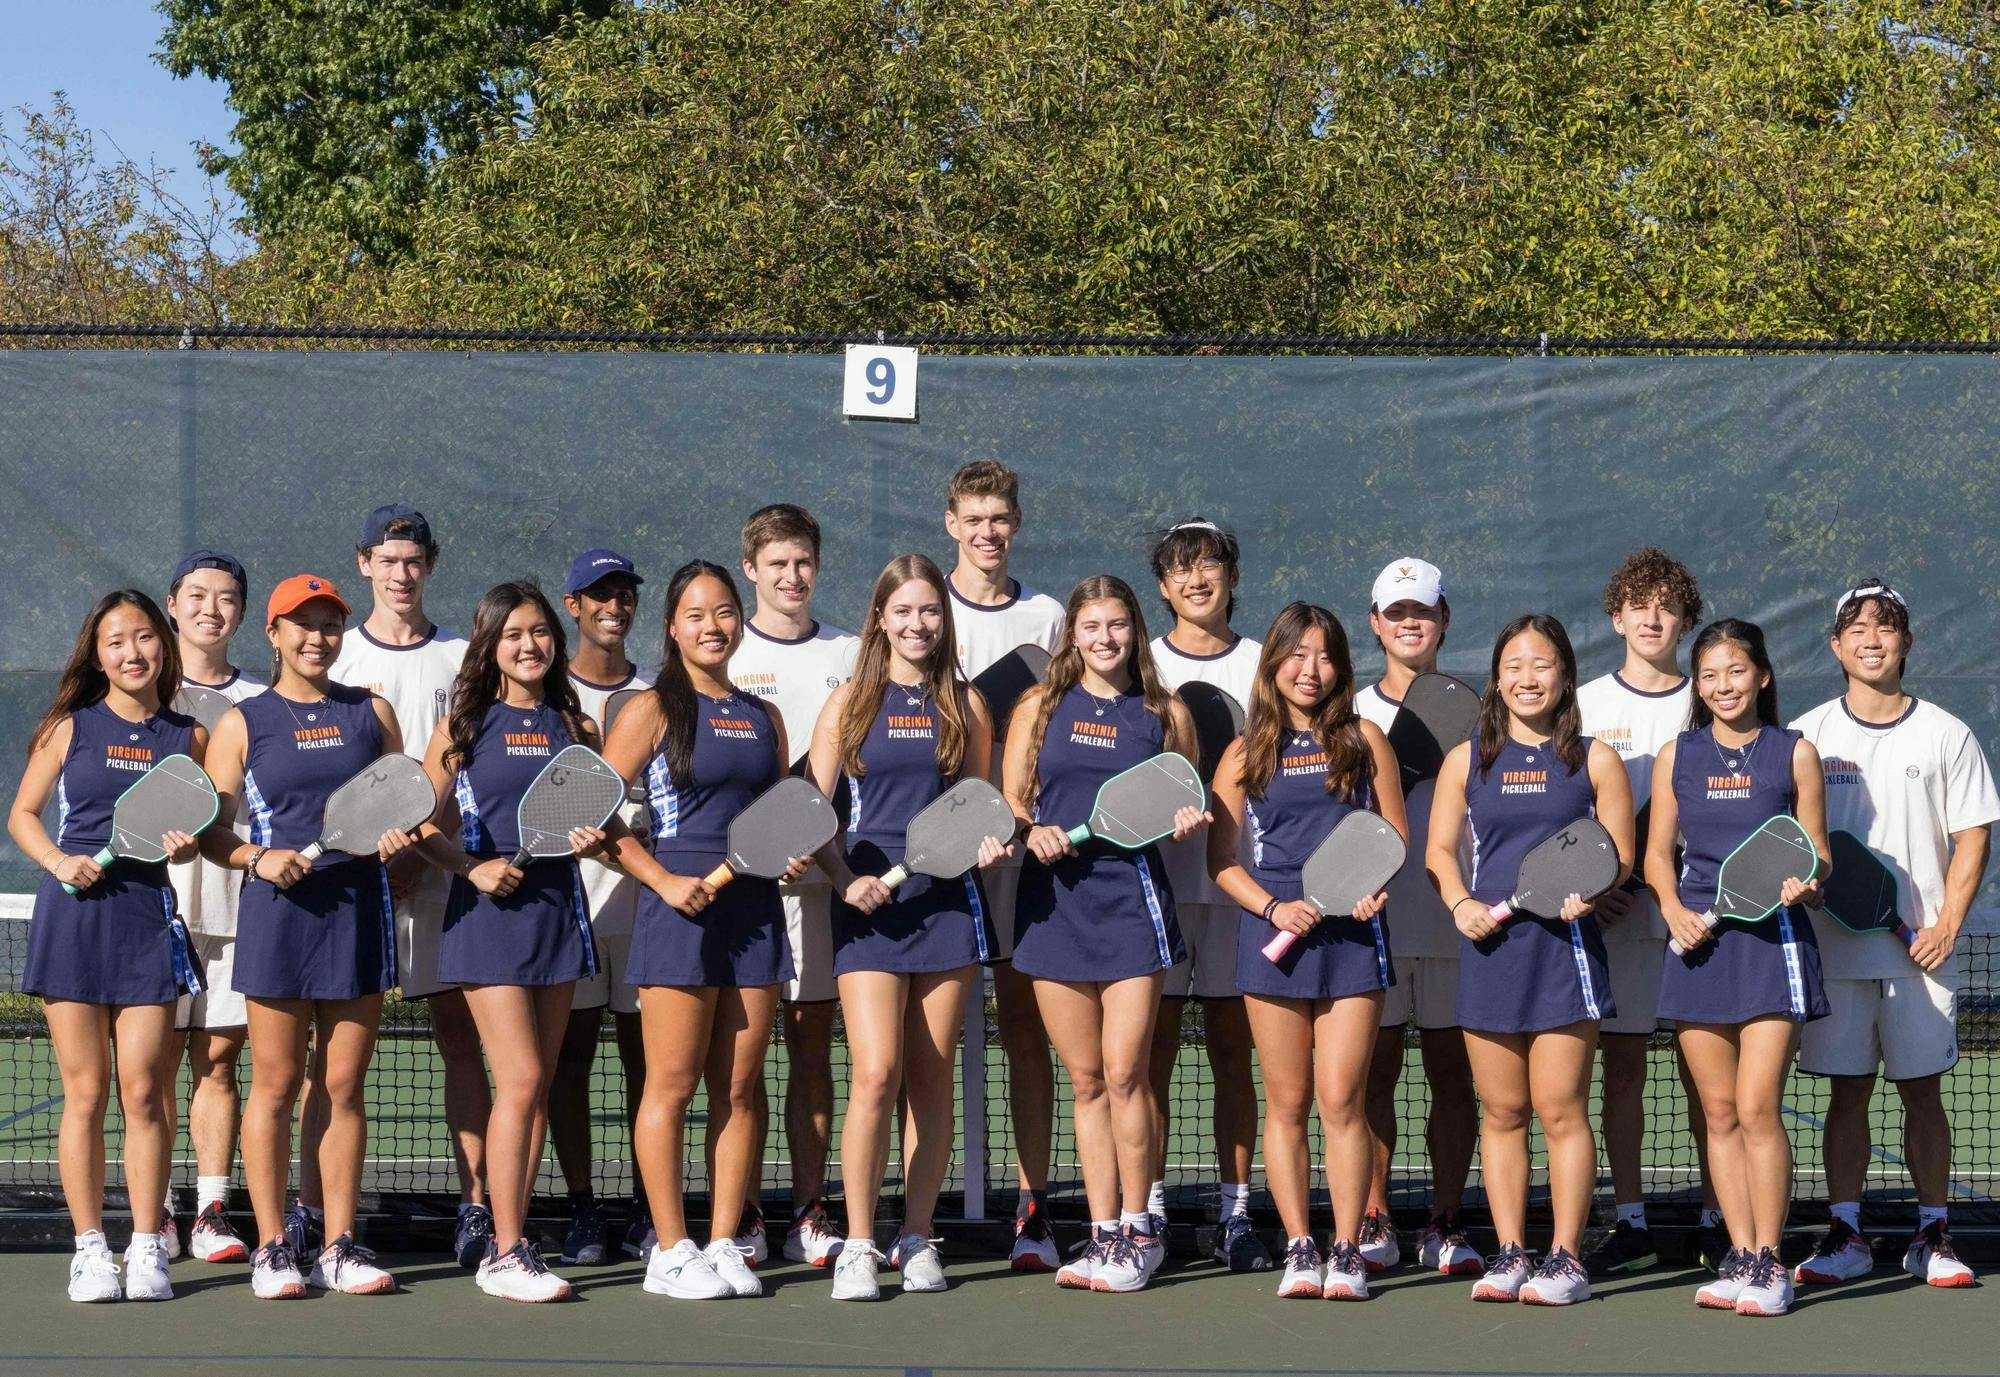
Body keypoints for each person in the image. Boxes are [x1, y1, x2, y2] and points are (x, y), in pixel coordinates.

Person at [601, 560, 813, 1301]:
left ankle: (723, 1239)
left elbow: (783, 810)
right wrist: (661, 879)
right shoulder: (650, 708)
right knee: (671, 1084)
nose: (713, 626)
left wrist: (785, 857)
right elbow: (590, 815)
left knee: (741, 1086)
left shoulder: (763, 716)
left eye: (724, 612)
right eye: (696, 614)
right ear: (672, 625)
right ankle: (669, 1247)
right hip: (676, 909)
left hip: (753, 913)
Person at [199, 574, 416, 1299]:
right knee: (276, 1085)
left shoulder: (370, 712)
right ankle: (270, 1247)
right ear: (274, 632)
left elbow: (402, 800)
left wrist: (396, 840)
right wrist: (259, 856)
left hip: (356, 914)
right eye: (302, 624)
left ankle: (337, 1244)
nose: (316, 637)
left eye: (328, 625)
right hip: (277, 919)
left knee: (343, 1086)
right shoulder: (244, 721)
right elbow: (213, 828)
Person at [805, 554, 1006, 1300]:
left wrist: (989, 844)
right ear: (880, 618)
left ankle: (917, 1236)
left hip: (947, 906)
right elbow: (814, 811)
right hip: (867, 907)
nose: (919, 624)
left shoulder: (967, 704)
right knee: (877, 1071)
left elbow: (980, 805)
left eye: (930, 611)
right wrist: (841, 878)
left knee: (931, 1082)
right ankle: (859, 1242)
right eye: (905, 611)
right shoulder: (850, 702)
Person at [1002, 574, 1207, 1295]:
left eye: (1118, 624)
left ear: (1135, 631)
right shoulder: (1040, 705)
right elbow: (1013, 798)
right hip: (1053, 905)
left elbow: (1187, 795)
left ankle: (1139, 1225)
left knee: (1126, 1073)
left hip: (1133, 906)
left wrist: (1186, 820)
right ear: (1073, 635)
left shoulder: (1163, 711)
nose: (1105, 638)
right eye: (1091, 626)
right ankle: (1103, 1232)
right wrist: (1035, 829)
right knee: (1086, 1080)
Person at [1790, 580, 1997, 1289]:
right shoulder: (1809, 734)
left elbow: (1973, 836)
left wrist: (1947, 924)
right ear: (1835, 645)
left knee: (1924, 1094)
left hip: (1920, 959)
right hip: (1834, 954)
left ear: (1906, 641)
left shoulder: (1947, 733)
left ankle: (1932, 1233)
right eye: (1856, 627)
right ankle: (1846, 1233)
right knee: (1845, 1094)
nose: (1871, 638)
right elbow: (1795, 839)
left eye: (1885, 626)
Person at [1427, 613, 1634, 1306]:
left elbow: (1620, 854)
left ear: (1564, 674)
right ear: (1496, 676)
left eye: (1541, 663)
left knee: (1560, 1108)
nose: (1527, 677)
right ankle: (1512, 1251)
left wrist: (1596, 890)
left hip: (1566, 955)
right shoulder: (1468, 760)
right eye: (1513, 664)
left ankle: (1567, 1256)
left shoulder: (1594, 758)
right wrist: (1458, 902)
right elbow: (1438, 851)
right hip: (1491, 950)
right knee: (1502, 1109)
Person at [9, 590, 205, 1302]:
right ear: (98, 653)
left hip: (145, 918)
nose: (132, 651)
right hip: (73, 918)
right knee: (86, 1091)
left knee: (145, 1090)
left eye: (145, 637)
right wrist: (61, 860)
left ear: (164, 645)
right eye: (117, 640)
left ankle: (147, 1244)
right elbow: (23, 814)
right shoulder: (70, 725)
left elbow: (200, 830)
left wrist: (188, 847)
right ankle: (90, 1248)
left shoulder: (190, 737)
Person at [414, 580, 607, 1301]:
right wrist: (472, 864)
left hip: (558, 913)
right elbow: (418, 823)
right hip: (484, 920)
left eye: (540, 632)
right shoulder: (462, 726)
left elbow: (597, 821)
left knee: (541, 1081)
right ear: (490, 643)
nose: (530, 645)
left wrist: (596, 837)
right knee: (521, 1079)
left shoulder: (574, 726)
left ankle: (515, 1240)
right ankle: (503, 1248)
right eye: (514, 633)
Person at [1208, 603, 1406, 1300]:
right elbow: (1222, 861)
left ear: (1342, 667)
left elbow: (1392, 843)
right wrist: (1272, 906)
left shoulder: (1364, 739)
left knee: (1341, 1098)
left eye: (1324, 656)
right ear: (1274, 664)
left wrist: (1368, 889)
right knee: (1286, 1102)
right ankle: (1300, 1245)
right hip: (1274, 940)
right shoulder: (1242, 752)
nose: (1310, 669)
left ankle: (1346, 1248)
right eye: (1297, 654)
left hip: (1353, 937)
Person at [1650, 618, 1830, 1317]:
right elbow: (1656, 853)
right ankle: (1744, 1253)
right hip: (1699, 944)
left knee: (1756, 1106)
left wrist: (1807, 884)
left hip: (1773, 946)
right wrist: (1669, 907)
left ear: (1762, 676)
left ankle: (1772, 1261)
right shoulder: (1677, 754)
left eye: (1736, 670)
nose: (1723, 685)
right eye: (1710, 674)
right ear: (1699, 684)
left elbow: (1816, 850)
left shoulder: (1796, 752)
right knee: (1717, 1111)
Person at [326, 505, 484, 1267]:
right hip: (349, 887)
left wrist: (421, 853)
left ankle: (478, 1209)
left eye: (412, 559)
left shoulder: (463, 656)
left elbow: (458, 760)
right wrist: (369, 863)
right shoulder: (333, 657)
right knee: (333, 1061)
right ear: (364, 564)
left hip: (441, 878)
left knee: (462, 1042)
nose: (400, 572)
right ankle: (320, 1220)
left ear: (431, 563)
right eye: (386, 559)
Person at [1574, 548, 1716, 1277]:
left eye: (1667, 604)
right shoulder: (1588, 703)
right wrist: (1601, 883)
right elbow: (1570, 806)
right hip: (1618, 924)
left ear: (1686, 618)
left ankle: (1719, 1217)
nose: (1652, 616)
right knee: (1622, 1068)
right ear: (1617, 616)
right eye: (1638, 603)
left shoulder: (1714, 695)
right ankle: (1627, 1218)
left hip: (1705, 921)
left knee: (1708, 1078)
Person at [941, 459, 1067, 1269]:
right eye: (973, 517)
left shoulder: (1051, 615)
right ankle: (912, 1213)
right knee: (930, 1040)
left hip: (1023, 860)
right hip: (942, 856)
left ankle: (1033, 1211)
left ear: (1015, 523)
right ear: (950, 522)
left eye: (1001, 518)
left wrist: (1021, 815)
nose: (988, 532)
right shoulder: (920, 607)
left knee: (1027, 1031)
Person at [727, 504, 859, 1267]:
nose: (791, 575)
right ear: (752, 570)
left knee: (812, 1048)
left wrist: (817, 852)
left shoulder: (848, 651)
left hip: (823, 882)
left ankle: (810, 1208)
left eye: (803, 560)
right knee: (738, 1058)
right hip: (739, 890)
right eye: (776, 563)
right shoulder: (721, 645)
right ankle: (738, 1212)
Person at [1142, 518, 1267, 1270]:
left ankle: (1236, 1213)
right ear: (1163, 586)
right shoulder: (1140, 661)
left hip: (1237, 889)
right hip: (1153, 886)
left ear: (1230, 575)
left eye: (1210, 565)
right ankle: (1145, 1209)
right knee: (1146, 1057)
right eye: (1182, 569)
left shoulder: (1263, 664)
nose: (1197, 580)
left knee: (1231, 1055)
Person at [1351, 557, 1480, 1275]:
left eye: (1422, 611)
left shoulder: (1480, 712)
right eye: (1396, 611)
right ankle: (1373, 1214)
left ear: (1443, 620)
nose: (1409, 622)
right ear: (1375, 623)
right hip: (1373, 922)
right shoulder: (1349, 712)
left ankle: (1446, 1217)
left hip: (1454, 923)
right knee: (1372, 1077)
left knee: (1452, 1076)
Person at [162, 550, 264, 1268]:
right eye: (196, 595)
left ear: (241, 613)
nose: (210, 609)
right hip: (155, 904)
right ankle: (155, 1211)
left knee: (219, 1063)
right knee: (154, 1063)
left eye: (225, 598)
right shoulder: (138, 692)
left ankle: (209, 1209)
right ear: (172, 604)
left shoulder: (260, 700)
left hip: (234, 901)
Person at [550, 549, 651, 1265]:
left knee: (652, 1066)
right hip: (565, 910)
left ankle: (654, 1207)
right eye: (598, 595)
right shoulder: (545, 697)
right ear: (573, 605)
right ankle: (582, 1207)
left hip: (646, 910)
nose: (613, 605)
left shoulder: (661, 694)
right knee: (568, 1063)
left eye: (624, 594)